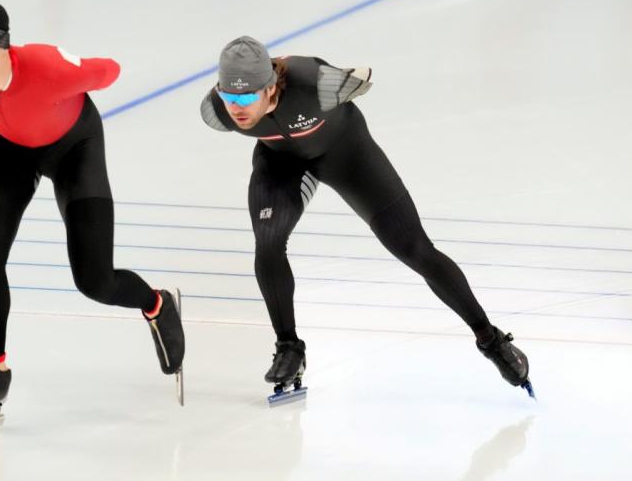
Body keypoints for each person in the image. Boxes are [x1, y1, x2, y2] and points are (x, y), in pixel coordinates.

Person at [199, 36, 533, 398]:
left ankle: (490, 339)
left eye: (247, 97)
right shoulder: (216, 110)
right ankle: (289, 347)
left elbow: (364, 78)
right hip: (281, 163)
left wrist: (343, 80)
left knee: (413, 247)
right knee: (268, 243)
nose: (237, 108)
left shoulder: (313, 83)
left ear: (270, 86)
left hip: (347, 155)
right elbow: (231, 104)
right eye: (230, 96)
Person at [0, 0, 184, 419]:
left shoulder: (47, 67)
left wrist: (72, 75)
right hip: (8, 151)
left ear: (5, 47)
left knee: (95, 281)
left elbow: (109, 70)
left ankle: (157, 304)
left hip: (74, 150)